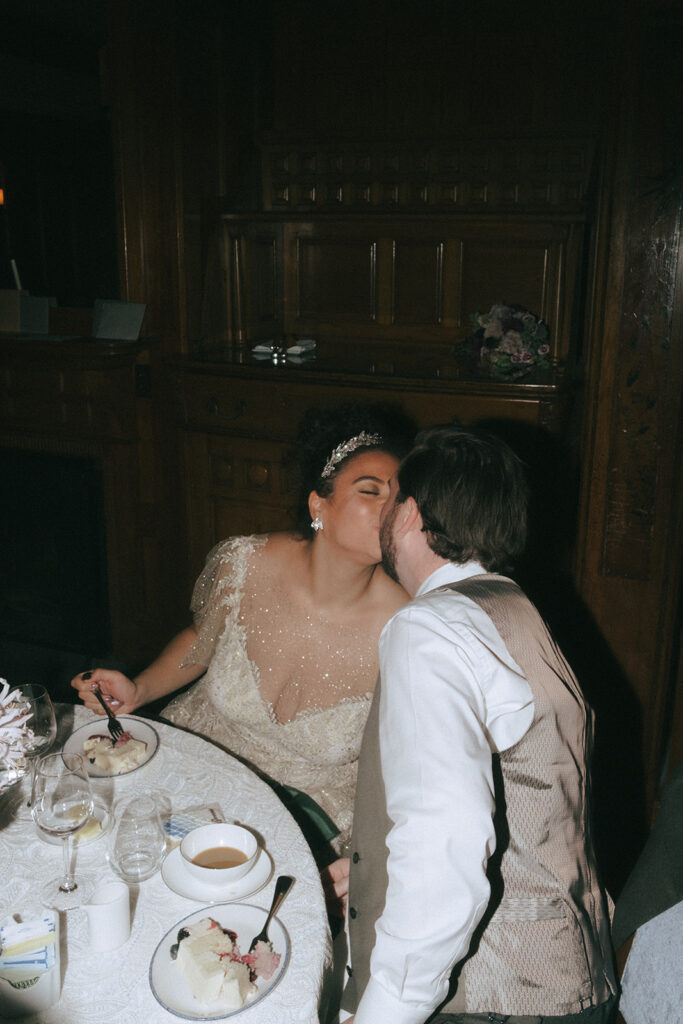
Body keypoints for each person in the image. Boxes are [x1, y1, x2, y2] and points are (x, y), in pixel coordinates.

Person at [335, 424, 618, 1023]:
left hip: (498, 997)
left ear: (408, 514)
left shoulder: (429, 629)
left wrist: (385, 1012)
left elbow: (448, 836)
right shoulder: (515, 610)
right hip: (573, 977)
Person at [71, 403, 413, 862]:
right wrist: (139, 689)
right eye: (370, 492)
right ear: (319, 505)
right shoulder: (245, 563)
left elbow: (412, 763)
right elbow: (202, 638)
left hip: (309, 814)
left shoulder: (408, 626)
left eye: (400, 499)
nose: (388, 509)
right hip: (199, 759)